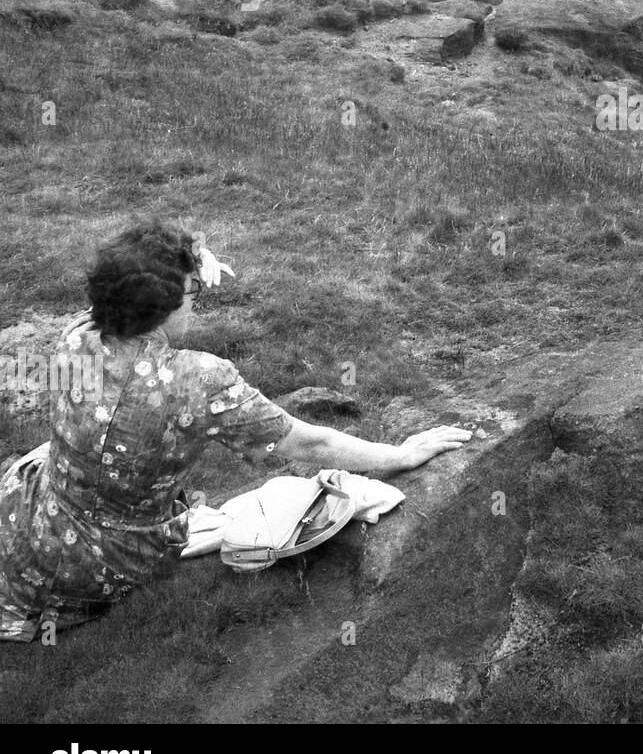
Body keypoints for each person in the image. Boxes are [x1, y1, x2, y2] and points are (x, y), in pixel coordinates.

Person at [0, 220, 472, 643]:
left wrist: (192, 262)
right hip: (105, 560)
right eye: (193, 296)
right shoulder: (200, 382)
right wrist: (401, 455)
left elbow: (119, 284)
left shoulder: (77, 335)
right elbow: (311, 443)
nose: (196, 304)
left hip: (35, 515)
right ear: (164, 310)